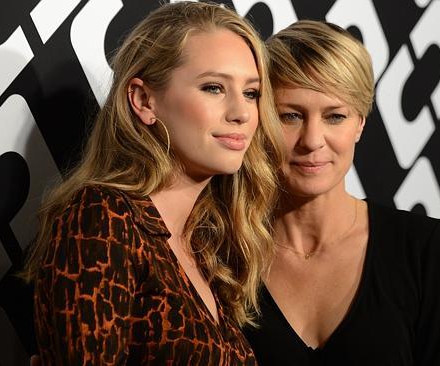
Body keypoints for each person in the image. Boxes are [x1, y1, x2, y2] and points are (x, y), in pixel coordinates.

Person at [21, 2, 284, 364]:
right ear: (144, 101)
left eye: (251, 93)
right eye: (213, 88)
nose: (241, 112)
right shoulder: (103, 218)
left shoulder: (205, 248)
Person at [242, 20, 440, 365]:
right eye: (290, 116)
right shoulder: (226, 253)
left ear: (360, 123)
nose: (313, 140)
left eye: (335, 117)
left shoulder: (423, 248)